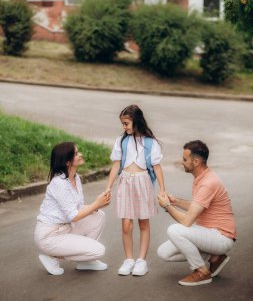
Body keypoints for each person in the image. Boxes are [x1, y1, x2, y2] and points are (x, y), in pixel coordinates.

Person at [157, 140, 237, 286]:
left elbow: (187, 221)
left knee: (174, 230)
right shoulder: (201, 177)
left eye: (185, 159)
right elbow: (197, 206)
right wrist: (175, 201)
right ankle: (214, 257)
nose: (182, 162)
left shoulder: (208, 182)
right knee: (163, 252)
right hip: (207, 233)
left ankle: (201, 271)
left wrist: (167, 206)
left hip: (221, 236)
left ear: (196, 161)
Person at [105, 104, 166, 276]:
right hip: (125, 181)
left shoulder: (151, 143)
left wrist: (162, 189)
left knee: (143, 223)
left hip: (143, 181)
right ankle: (129, 259)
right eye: (122, 124)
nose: (123, 127)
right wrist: (108, 187)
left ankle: (141, 261)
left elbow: (157, 167)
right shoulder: (121, 141)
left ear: (136, 121)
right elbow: (116, 164)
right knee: (126, 224)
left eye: (126, 123)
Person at [34, 141, 111, 275]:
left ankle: (85, 261)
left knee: (99, 215)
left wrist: (98, 206)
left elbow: (78, 208)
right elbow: (73, 216)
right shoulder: (59, 183)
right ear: (67, 162)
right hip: (50, 235)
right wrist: (96, 204)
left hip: (66, 227)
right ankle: (52, 257)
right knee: (99, 251)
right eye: (76, 153)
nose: (80, 155)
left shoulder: (75, 177)